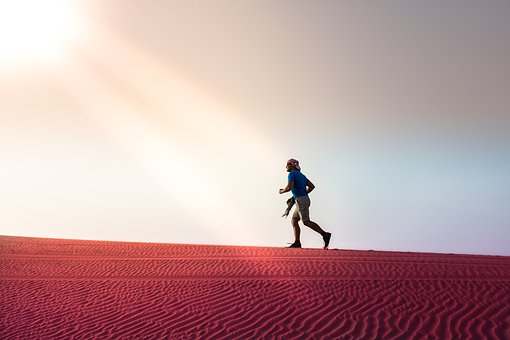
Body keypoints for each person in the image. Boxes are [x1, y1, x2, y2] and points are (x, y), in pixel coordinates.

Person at [279, 158, 332, 249]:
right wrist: (304, 193)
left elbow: (289, 186)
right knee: (294, 220)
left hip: (301, 200)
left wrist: (282, 191)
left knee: (306, 221)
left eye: (288, 164)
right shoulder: (302, 176)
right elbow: (312, 186)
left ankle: (325, 234)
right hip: (302, 200)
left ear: (293, 165)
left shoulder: (291, 174)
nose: (286, 166)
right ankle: (297, 242)